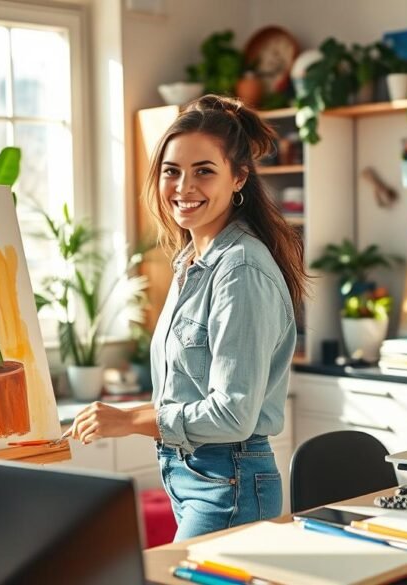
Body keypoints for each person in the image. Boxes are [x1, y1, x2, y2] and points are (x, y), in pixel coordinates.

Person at [67, 95, 308, 541]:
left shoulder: (240, 269)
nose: (183, 187)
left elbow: (233, 414)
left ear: (238, 178)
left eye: (204, 171)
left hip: (228, 486)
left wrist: (130, 420)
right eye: (172, 171)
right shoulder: (191, 263)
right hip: (199, 479)